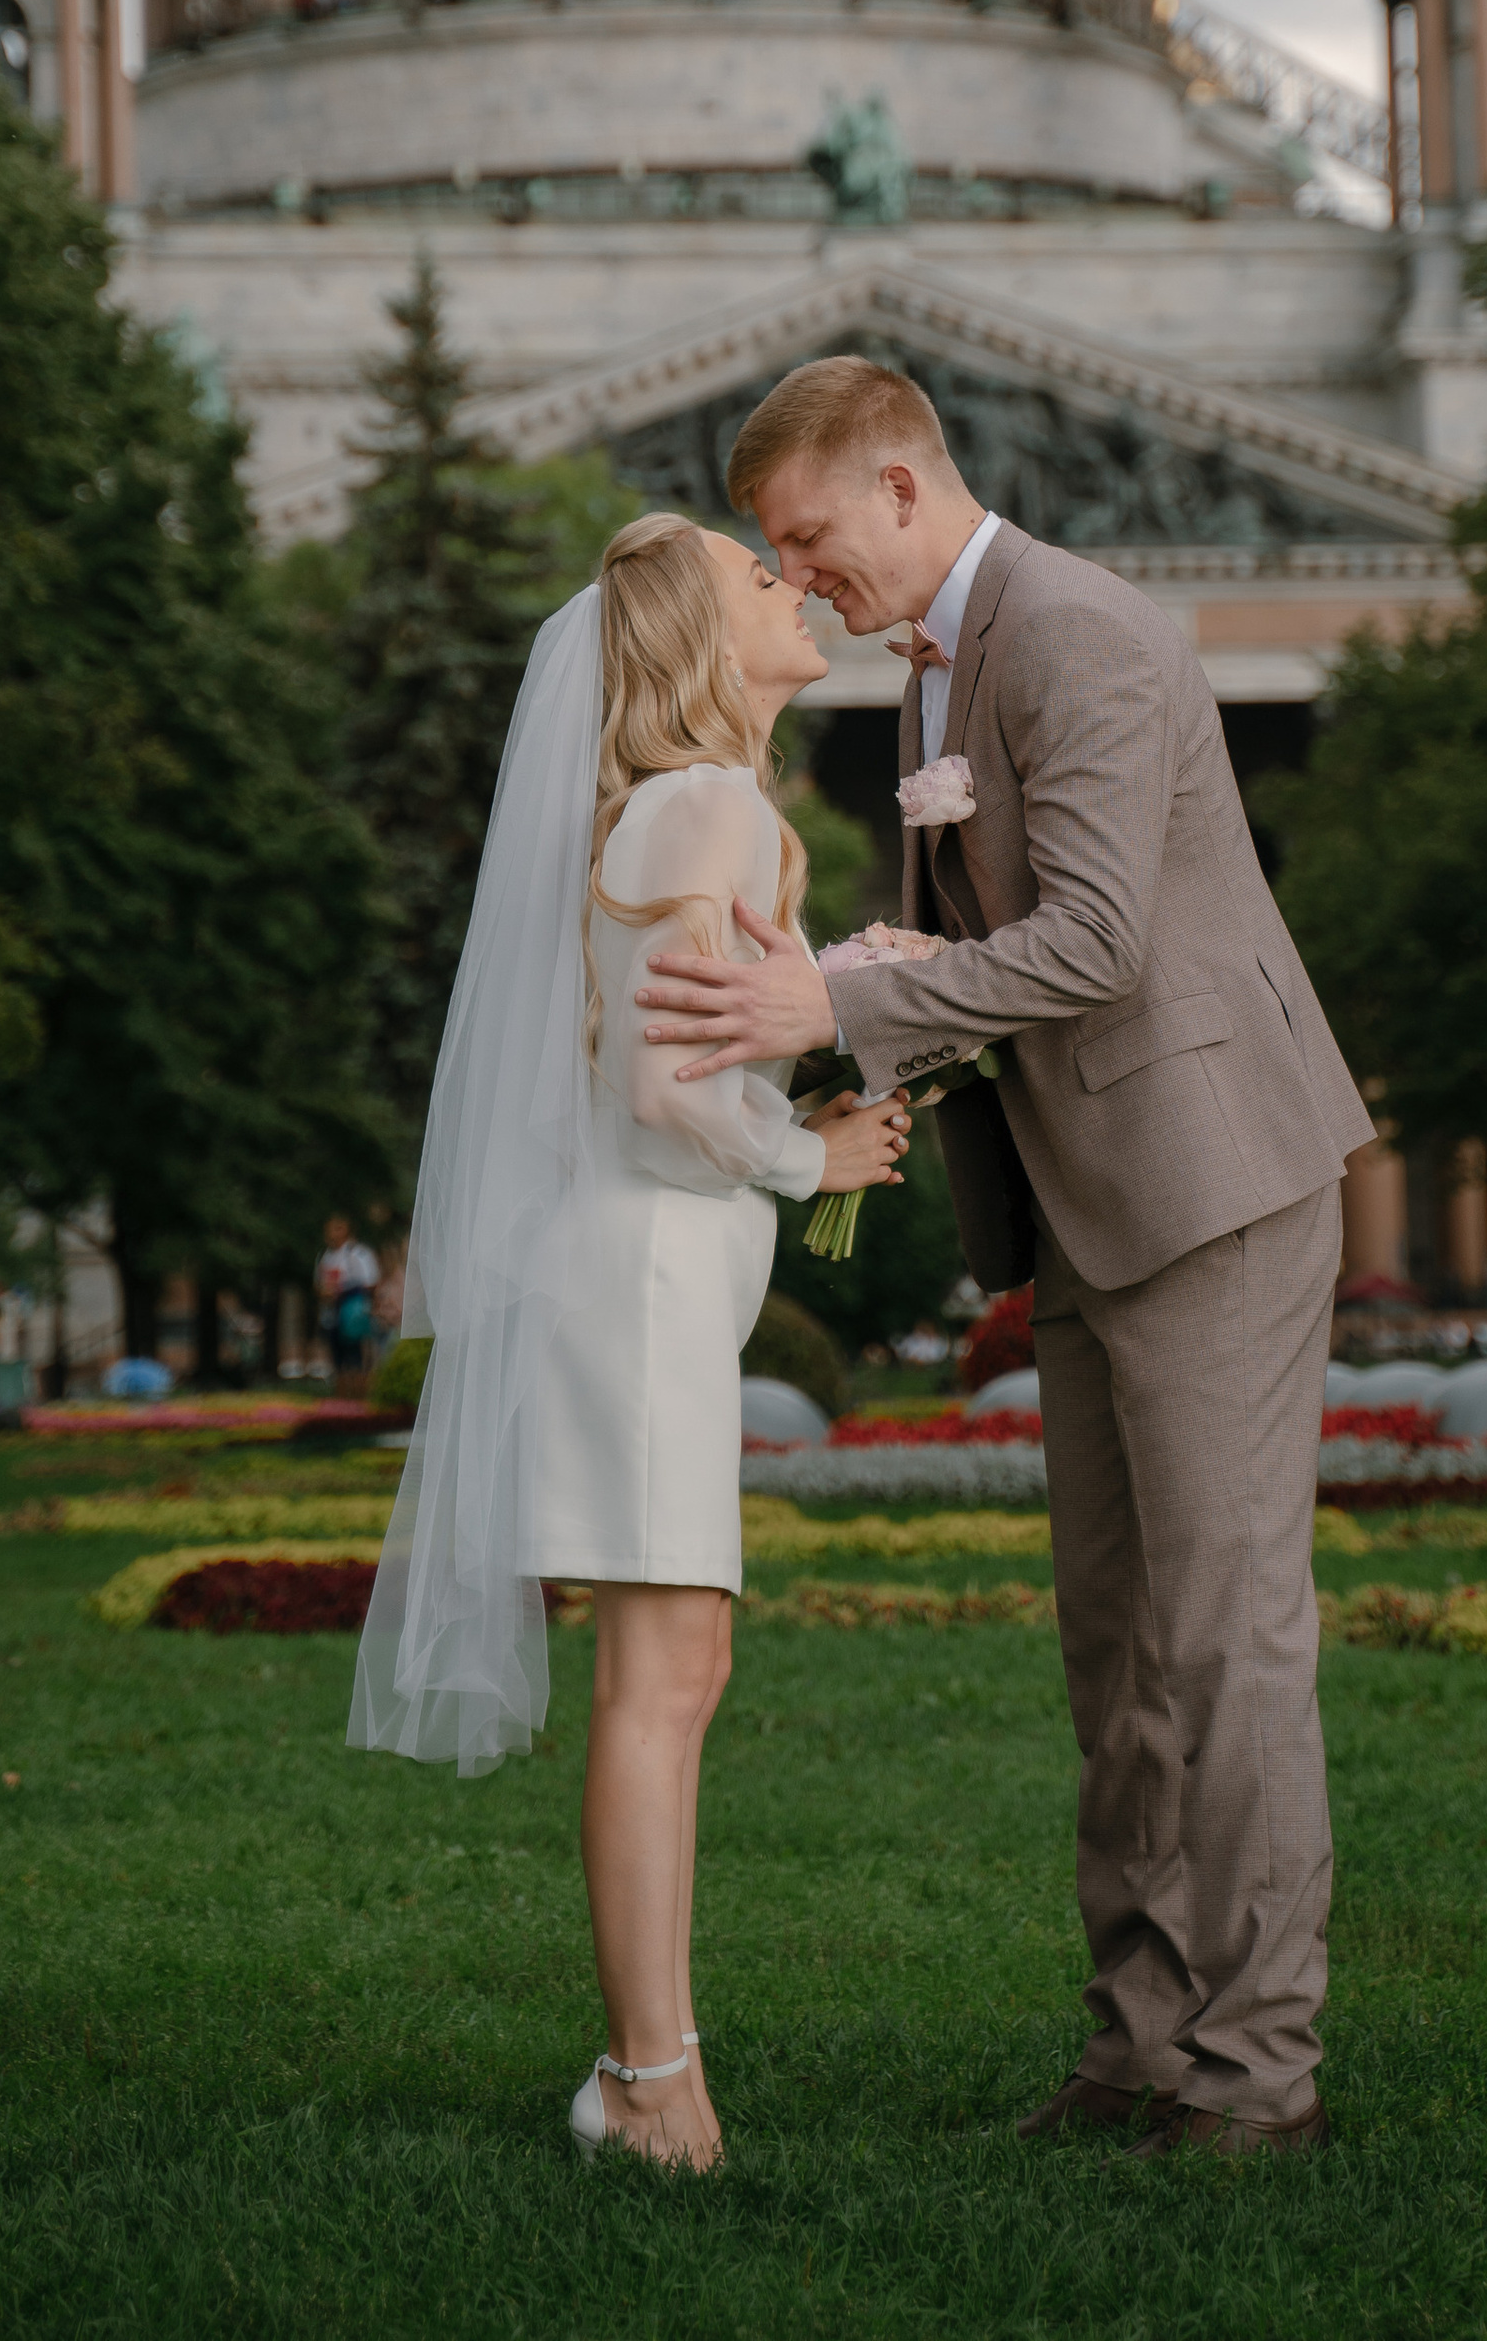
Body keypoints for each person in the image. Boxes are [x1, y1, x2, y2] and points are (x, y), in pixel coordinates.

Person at [638, 358, 1374, 2163]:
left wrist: (847, 990)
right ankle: (1135, 2049)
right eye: (775, 559)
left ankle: (1254, 2080)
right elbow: (1012, 934)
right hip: (1090, 1191)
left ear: (902, 486)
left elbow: (1107, 944)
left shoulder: (1083, 634)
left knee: (1223, 1644)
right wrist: (866, 997)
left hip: (1213, 1186)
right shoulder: (944, 665)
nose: (797, 581)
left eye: (807, 540)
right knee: (1113, 1654)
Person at [349, 512, 910, 2171]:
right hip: (646, 1286)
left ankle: (643, 2074)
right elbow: (667, 1095)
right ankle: (650, 2087)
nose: (794, 586)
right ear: (697, 641)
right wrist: (818, 1154)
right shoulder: (711, 805)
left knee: (676, 1673)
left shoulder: (684, 808)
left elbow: (680, 1057)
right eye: (762, 579)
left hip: (650, 1279)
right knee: (661, 1689)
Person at [314, 1217, 379, 1381]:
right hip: (332, 1312)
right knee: (336, 1353)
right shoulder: (325, 1256)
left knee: (355, 1353)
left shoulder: (358, 1253)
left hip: (352, 1311)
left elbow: (371, 1281)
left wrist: (343, 1289)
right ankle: (341, 1391)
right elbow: (318, 1284)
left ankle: (356, 1391)